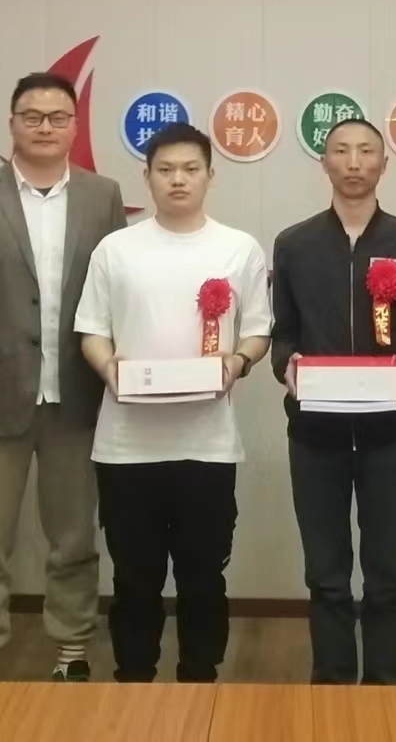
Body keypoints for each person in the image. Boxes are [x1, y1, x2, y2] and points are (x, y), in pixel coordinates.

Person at [0, 71, 127, 683]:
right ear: (12, 123)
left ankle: (72, 652)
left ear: (74, 125)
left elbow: (117, 297)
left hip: (78, 396)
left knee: (74, 539)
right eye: (32, 116)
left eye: (58, 117)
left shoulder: (102, 195)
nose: (45, 127)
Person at [74, 122, 271, 684]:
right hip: (126, 446)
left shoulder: (238, 248)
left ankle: (200, 678)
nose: (177, 180)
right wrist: (109, 369)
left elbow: (257, 330)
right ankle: (134, 677)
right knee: (133, 577)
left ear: (210, 175)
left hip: (206, 445)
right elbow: (91, 330)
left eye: (190, 169)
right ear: (147, 176)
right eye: (165, 170)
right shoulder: (116, 248)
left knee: (203, 575)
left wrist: (237, 363)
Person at [270, 117, 396, 685]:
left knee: (386, 573)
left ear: (385, 163)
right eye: (342, 150)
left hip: (387, 434)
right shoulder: (295, 243)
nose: (355, 161)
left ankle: (386, 683)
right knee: (326, 573)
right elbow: (283, 334)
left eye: (367, 151)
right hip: (315, 434)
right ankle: (332, 682)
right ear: (325, 163)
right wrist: (286, 366)